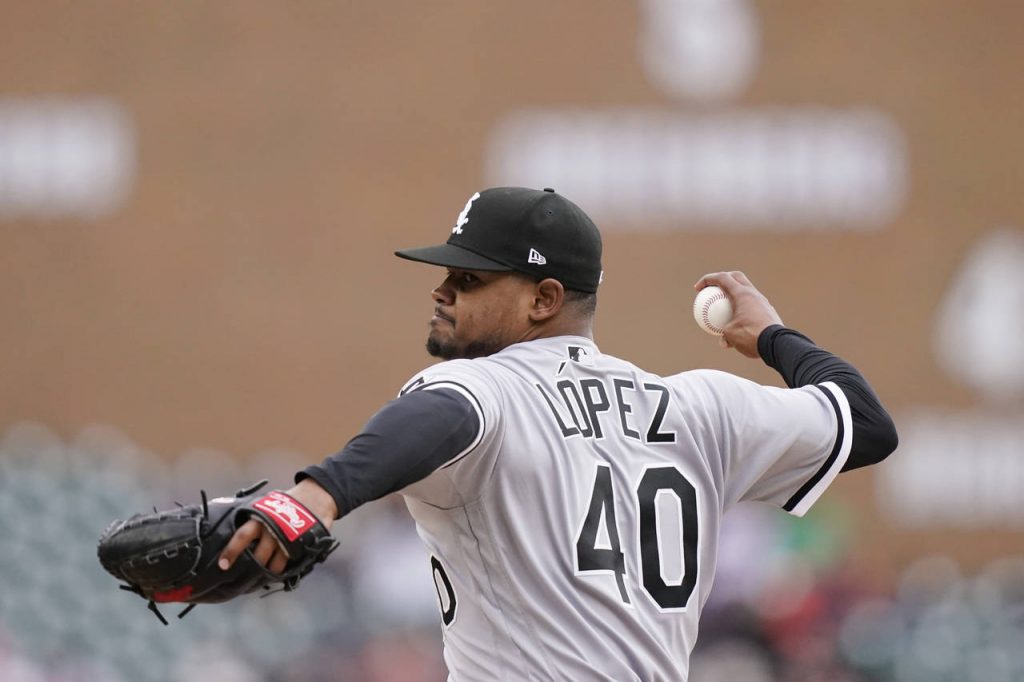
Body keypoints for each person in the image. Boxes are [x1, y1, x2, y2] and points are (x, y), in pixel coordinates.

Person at [218, 186, 898, 680]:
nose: (442, 290)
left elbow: (436, 419)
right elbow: (865, 423)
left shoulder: (489, 386)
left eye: (469, 277)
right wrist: (773, 336)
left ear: (543, 299)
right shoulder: (701, 407)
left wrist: (317, 495)